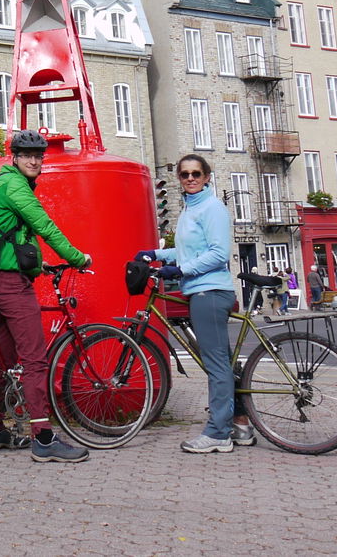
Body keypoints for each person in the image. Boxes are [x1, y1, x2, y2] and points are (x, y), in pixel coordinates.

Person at [0, 129, 93, 464]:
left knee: (5, 360)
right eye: (27, 154)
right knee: (34, 360)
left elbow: (11, 235)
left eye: (38, 155)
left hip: (0, 278)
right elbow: (44, 226)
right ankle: (43, 439)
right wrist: (77, 258)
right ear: (14, 157)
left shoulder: (5, 182)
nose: (34, 159)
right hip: (11, 286)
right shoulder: (14, 185)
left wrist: (35, 264)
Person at [135, 155, 253, 454]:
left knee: (216, 367)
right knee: (223, 364)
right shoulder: (192, 207)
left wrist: (181, 270)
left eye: (196, 173)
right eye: (184, 173)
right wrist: (156, 255)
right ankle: (240, 424)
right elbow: (188, 249)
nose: (190, 178)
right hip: (203, 292)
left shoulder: (212, 208)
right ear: (178, 177)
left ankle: (217, 433)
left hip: (209, 293)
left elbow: (218, 253)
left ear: (207, 176)